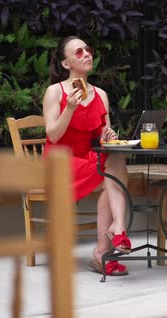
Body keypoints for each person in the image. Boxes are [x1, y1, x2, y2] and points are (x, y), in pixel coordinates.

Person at [42, 36, 131, 276]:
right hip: (61, 160)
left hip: (89, 157)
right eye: (78, 52)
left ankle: (115, 232)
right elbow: (53, 135)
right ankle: (107, 247)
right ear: (65, 64)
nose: (87, 55)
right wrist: (69, 108)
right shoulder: (55, 92)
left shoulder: (100, 94)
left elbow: (104, 138)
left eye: (88, 50)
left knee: (116, 160)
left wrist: (109, 136)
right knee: (113, 176)